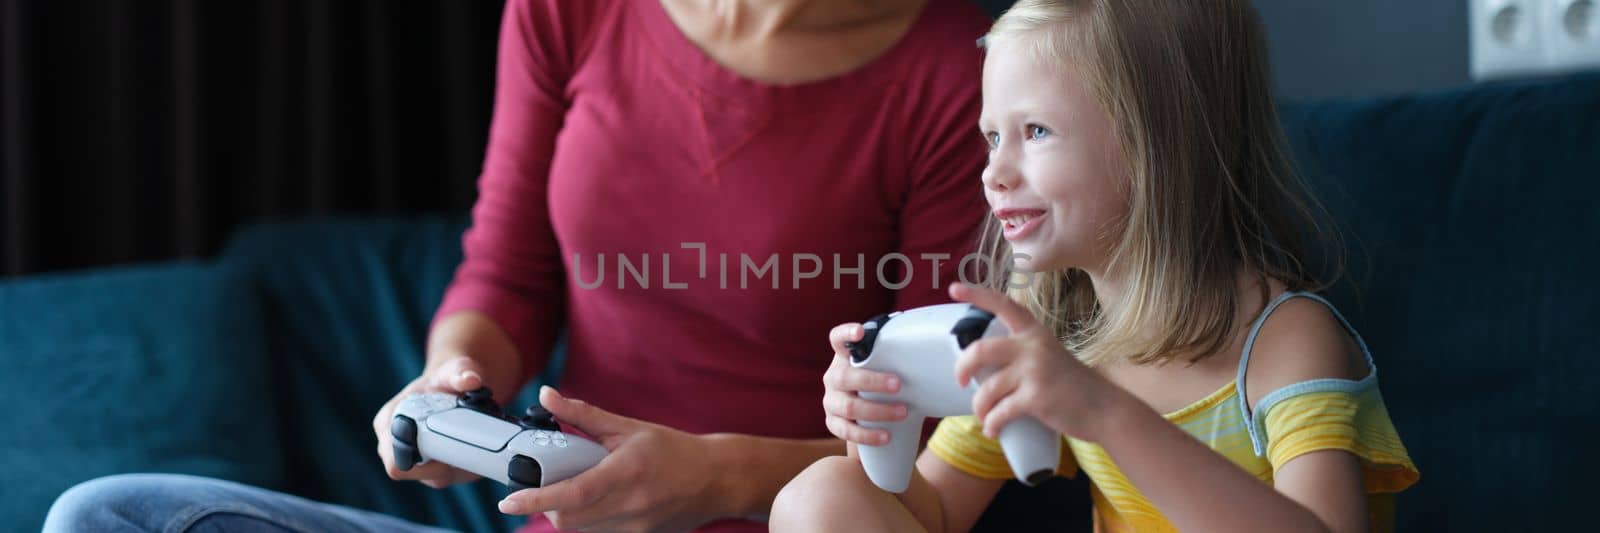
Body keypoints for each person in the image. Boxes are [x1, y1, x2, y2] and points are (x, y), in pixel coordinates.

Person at [43, 0, 993, 532]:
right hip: (555, 519)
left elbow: (942, 448)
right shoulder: (568, 12)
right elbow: (506, 271)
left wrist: (715, 477)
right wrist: (452, 380)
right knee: (108, 516)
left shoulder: (956, 75)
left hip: (800, 525)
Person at [770, 0, 1422, 531]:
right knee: (822, 496)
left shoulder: (1285, 340)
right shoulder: (1047, 334)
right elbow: (930, 514)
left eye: (1036, 132)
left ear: (1157, 146)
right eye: (992, 136)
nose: (994, 171)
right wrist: (874, 431)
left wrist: (1103, 411)